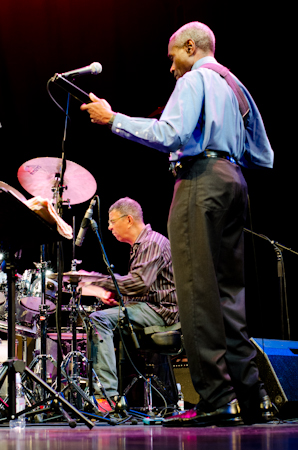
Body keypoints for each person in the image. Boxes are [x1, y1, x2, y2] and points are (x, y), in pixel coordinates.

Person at [80, 22, 274, 426]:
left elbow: (170, 133)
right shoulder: (235, 85)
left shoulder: (194, 79)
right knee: (229, 298)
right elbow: (264, 155)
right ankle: (251, 398)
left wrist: (113, 118)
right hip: (235, 182)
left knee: (197, 295)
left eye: (173, 59)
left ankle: (217, 400)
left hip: (200, 182)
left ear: (190, 47)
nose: (171, 69)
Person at [78, 197, 178, 410]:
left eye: (113, 221)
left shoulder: (152, 243)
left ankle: (107, 397)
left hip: (161, 311)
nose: (109, 227)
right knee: (106, 317)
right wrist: (117, 297)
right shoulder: (142, 244)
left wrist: (94, 279)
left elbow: (139, 283)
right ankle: (113, 392)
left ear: (129, 220)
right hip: (151, 306)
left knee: (99, 320)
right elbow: (145, 288)